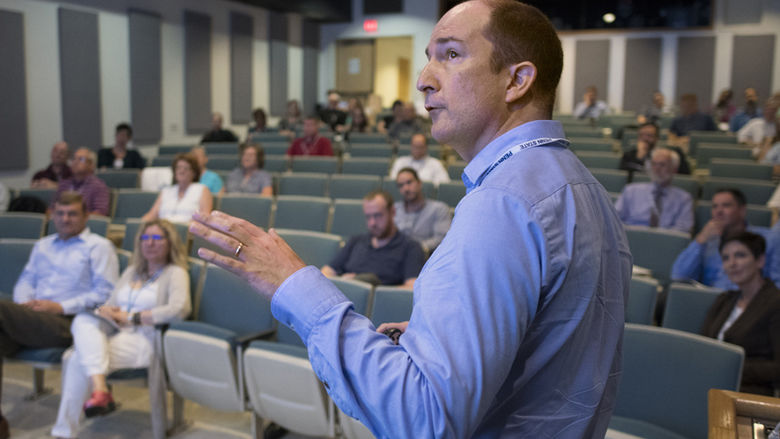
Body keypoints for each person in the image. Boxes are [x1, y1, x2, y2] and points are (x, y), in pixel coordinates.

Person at [188, 0, 630, 437]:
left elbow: (422, 421)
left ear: (517, 80)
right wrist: (432, 337)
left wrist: (293, 284)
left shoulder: (503, 205)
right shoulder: (585, 188)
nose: (423, 81)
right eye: (427, 60)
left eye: (451, 55)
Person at [51, 219, 191, 439]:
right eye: (145, 238)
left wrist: (134, 317)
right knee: (82, 320)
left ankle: (65, 431)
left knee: (74, 358)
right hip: (117, 330)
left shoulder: (175, 273)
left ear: (170, 243)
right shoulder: (133, 271)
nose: (150, 243)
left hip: (146, 338)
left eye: (157, 238)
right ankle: (100, 389)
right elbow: (111, 301)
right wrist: (107, 311)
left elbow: (179, 310)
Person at [0, 192, 118, 439]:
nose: (66, 219)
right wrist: (25, 306)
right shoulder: (43, 245)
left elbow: (104, 295)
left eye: (73, 213)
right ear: (52, 215)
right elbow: (25, 282)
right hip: (31, 318)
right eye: (61, 213)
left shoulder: (99, 246)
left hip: (72, 322)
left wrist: (60, 306)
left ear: (86, 216)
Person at [700, 232, 779, 396]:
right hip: (710, 382)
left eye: (740, 255)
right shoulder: (724, 300)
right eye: (726, 258)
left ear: (760, 260)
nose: (732, 264)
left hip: (747, 392)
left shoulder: (775, 303)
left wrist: (729, 365)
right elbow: (703, 344)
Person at [671, 188, 779, 290]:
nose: (719, 211)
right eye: (715, 207)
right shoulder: (706, 241)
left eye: (726, 206)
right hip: (709, 302)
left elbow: (777, 281)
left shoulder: (767, 239)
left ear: (742, 210)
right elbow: (679, 276)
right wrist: (700, 241)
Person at [321, 190, 424, 288]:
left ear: (392, 212)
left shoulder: (411, 247)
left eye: (378, 215)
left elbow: (411, 288)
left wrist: (370, 287)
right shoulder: (355, 241)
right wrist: (345, 283)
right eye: (368, 217)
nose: (372, 223)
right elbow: (326, 271)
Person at [615, 148, 694, 233]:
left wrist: (656, 239)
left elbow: (683, 231)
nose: (657, 168)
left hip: (665, 243)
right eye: (654, 164)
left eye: (662, 165)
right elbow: (615, 220)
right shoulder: (630, 191)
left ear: (674, 169)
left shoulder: (684, 199)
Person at [142, 153, 212, 224]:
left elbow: (205, 217)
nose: (181, 171)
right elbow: (151, 215)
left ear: (194, 173)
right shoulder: (166, 191)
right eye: (178, 168)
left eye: (186, 168)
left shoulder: (202, 189)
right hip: (163, 230)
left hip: (188, 231)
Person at [393, 168, 451, 253]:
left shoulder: (439, 209)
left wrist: (413, 251)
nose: (406, 188)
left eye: (409, 182)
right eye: (401, 185)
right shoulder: (394, 209)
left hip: (427, 258)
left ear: (419, 183)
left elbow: (441, 239)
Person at [54, 148, 111, 216]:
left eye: (81, 159)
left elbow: (100, 214)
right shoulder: (64, 184)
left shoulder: (98, 186)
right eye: (74, 159)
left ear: (91, 165)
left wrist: (77, 218)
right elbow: (52, 209)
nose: (76, 162)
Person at [619, 122, 691, 174]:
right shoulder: (628, 155)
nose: (645, 139)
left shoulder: (672, 155)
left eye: (649, 135)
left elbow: (684, 178)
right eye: (641, 135)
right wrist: (639, 158)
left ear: (657, 138)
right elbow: (626, 179)